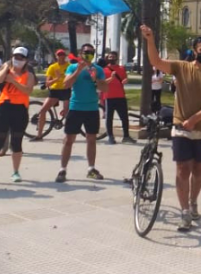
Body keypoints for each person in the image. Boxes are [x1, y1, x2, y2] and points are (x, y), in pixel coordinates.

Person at [142, 25, 201, 232]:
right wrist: (150, 39)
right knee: (182, 169)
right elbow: (156, 62)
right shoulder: (181, 67)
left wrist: (195, 119)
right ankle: (184, 211)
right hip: (180, 128)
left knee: (198, 169)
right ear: (194, 50)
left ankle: (193, 200)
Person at [55, 43, 108, 183]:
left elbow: (105, 88)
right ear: (80, 53)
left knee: (91, 139)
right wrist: (78, 71)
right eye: (86, 52)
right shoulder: (72, 67)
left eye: (91, 52)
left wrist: (96, 78)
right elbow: (66, 84)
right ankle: (62, 169)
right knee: (68, 140)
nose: (88, 54)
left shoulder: (98, 69)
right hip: (75, 108)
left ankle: (91, 168)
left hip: (92, 109)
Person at [0, 47, 36, 185]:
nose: (17, 60)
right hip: (4, 108)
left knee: (16, 142)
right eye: (15, 56)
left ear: (26, 60)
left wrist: (13, 81)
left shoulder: (29, 75)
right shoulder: (6, 68)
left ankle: (15, 171)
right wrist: (6, 69)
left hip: (20, 109)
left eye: (21, 57)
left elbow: (27, 90)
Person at [33, 50, 70, 142]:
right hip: (55, 91)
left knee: (68, 113)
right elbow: (47, 83)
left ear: (65, 56)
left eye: (62, 55)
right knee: (43, 110)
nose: (61, 57)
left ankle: (68, 135)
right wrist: (57, 79)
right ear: (56, 56)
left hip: (66, 90)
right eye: (59, 55)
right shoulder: (52, 67)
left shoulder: (69, 66)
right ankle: (39, 135)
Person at [103, 50, 135, 144]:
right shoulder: (104, 70)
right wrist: (111, 78)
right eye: (110, 57)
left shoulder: (121, 68)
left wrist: (125, 81)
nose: (111, 58)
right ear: (107, 58)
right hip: (109, 96)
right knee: (109, 118)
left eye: (113, 57)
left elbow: (125, 79)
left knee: (124, 117)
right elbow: (102, 83)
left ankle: (126, 136)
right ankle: (110, 136)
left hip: (120, 96)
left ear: (116, 58)